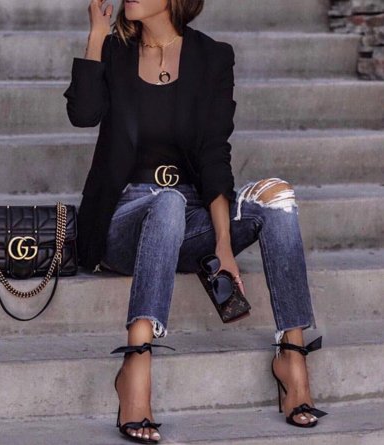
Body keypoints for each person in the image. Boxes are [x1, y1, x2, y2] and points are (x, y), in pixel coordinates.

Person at [63, 0, 328, 442]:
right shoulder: (115, 50)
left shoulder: (212, 57)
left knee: (277, 196)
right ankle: (135, 363)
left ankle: (292, 355)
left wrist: (223, 244)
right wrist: (95, 34)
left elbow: (213, 156)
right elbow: (83, 114)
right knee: (166, 202)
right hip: (124, 218)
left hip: (189, 216)